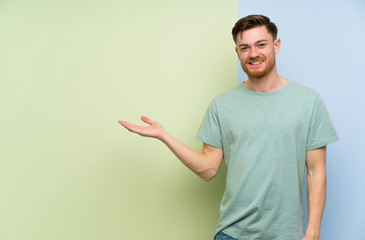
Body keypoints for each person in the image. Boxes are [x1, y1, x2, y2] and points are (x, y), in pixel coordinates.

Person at [119, 15, 338, 240]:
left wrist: (312, 231)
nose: (253, 53)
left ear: (276, 45)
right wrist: (164, 136)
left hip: (285, 235)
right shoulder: (222, 105)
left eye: (261, 44)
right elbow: (207, 169)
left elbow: (316, 170)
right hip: (232, 234)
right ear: (238, 53)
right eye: (245, 47)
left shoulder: (308, 101)